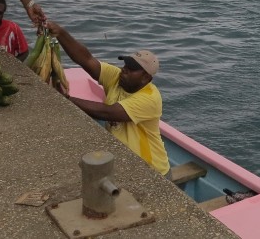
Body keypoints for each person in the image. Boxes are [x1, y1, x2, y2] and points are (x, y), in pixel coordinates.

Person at [46, 20, 169, 176]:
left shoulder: (150, 98)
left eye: (131, 69)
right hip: (123, 164)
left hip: (151, 170)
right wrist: (60, 32)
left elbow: (108, 112)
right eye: (125, 65)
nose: (124, 70)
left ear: (145, 78)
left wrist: (66, 99)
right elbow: (87, 60)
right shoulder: (117, 77)